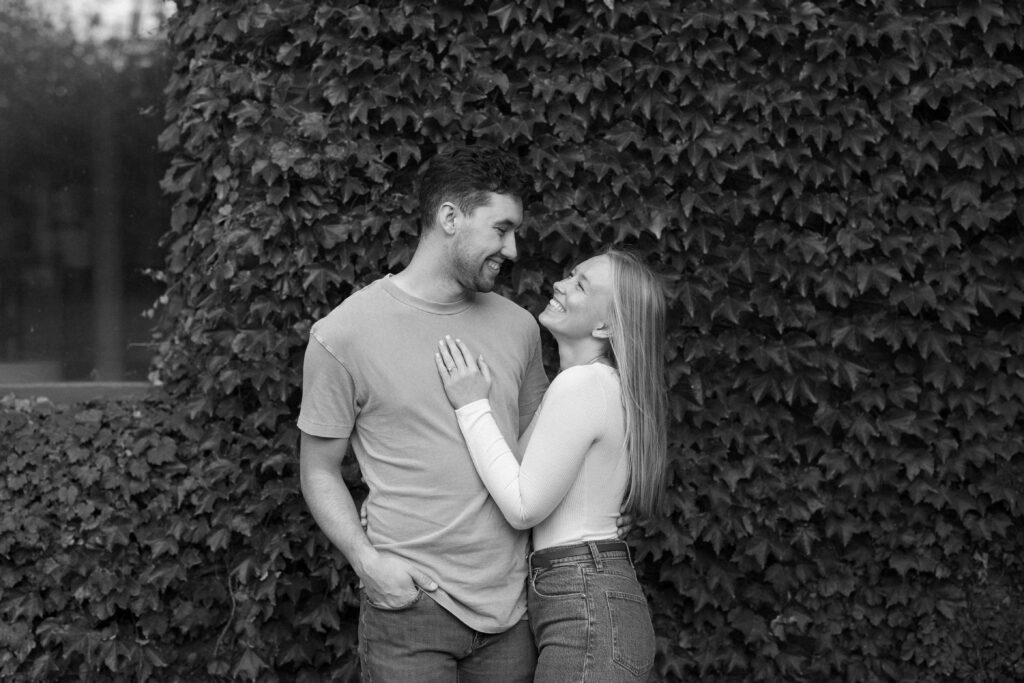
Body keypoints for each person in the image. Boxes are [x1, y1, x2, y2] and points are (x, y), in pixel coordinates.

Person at [297, 144, 551, 681]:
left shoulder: (520, 327)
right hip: (410, 611)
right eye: (501, 229)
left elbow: (540, 452)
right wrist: (368, 562)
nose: (513, 248)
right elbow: (318, 470)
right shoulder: (342, 334)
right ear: (450, 217)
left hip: (512, 611)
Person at [434, 248, 667, 682]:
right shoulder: (592, 385)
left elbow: (523, 506)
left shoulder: (584, 384)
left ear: (605, 326)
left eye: (581, 285)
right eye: (570, 273)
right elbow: (507, 476)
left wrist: (471, 405)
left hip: (585, 601)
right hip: (587, 595)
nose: (560, 284)